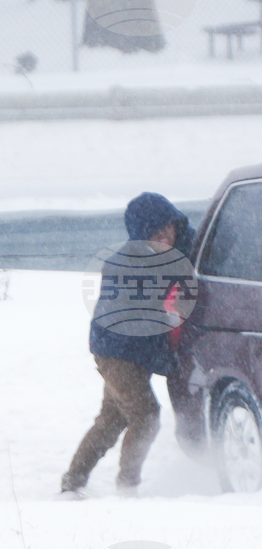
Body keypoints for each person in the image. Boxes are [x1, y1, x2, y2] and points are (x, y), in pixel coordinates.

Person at [61, 192, 196, 496]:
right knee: (146, 416)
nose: (164, 236)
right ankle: (127, 486)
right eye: (155, 233)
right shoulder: (126, 265)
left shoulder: (181, 247)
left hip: (139, 350)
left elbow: (191, 254)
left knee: (112, 418)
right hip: (116, 351)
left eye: (168, 228)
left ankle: (73, 482)